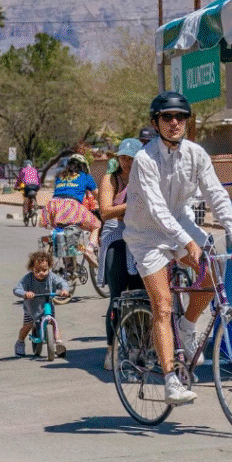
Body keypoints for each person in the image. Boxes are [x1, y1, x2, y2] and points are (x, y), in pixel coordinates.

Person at [123, 92, 232, 406]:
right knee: (163, 305)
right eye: (167, 117)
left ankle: (188, 325)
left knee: (213, 272)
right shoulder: (145, 159)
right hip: (146, 235)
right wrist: (187, 242)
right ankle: (171, 380)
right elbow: (157, 210)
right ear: (156, 122)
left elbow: (216, 195)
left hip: (181, 224)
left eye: (180, 117)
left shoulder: (196, 154)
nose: (174, 122)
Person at [97, 137, 144, 370]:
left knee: (141, 296)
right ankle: (111, 349)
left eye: (132, 158)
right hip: (116, 236)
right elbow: (106, 212)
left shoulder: (146, 179)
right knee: (117, 298)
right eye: (124, 158)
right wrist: (134, 204)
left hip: (140, 237)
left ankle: (137, 346)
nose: (127, 162)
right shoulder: (111, 179)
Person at [40, 154, 101, 259]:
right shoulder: (86, 176)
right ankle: (89, 249)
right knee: (97, 225)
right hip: (71, 206)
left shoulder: (60, 176)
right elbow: (98, 195)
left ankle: (67, 262)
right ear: (83, 166)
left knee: (62, 229)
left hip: (53, 206)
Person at [13, 249, 69, 357]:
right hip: (31, 309)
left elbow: (62, 282)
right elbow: (17, 289)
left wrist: (64, 290)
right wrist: (25, 293)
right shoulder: (28, 279)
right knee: (27, 326)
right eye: (37, 270)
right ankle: (20, 342)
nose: (41, 273)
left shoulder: (52, 277)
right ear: (32, 268)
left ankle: (58, 343)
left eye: (44, 270)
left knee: (53, 324)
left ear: (49, 267)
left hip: (47, 307)